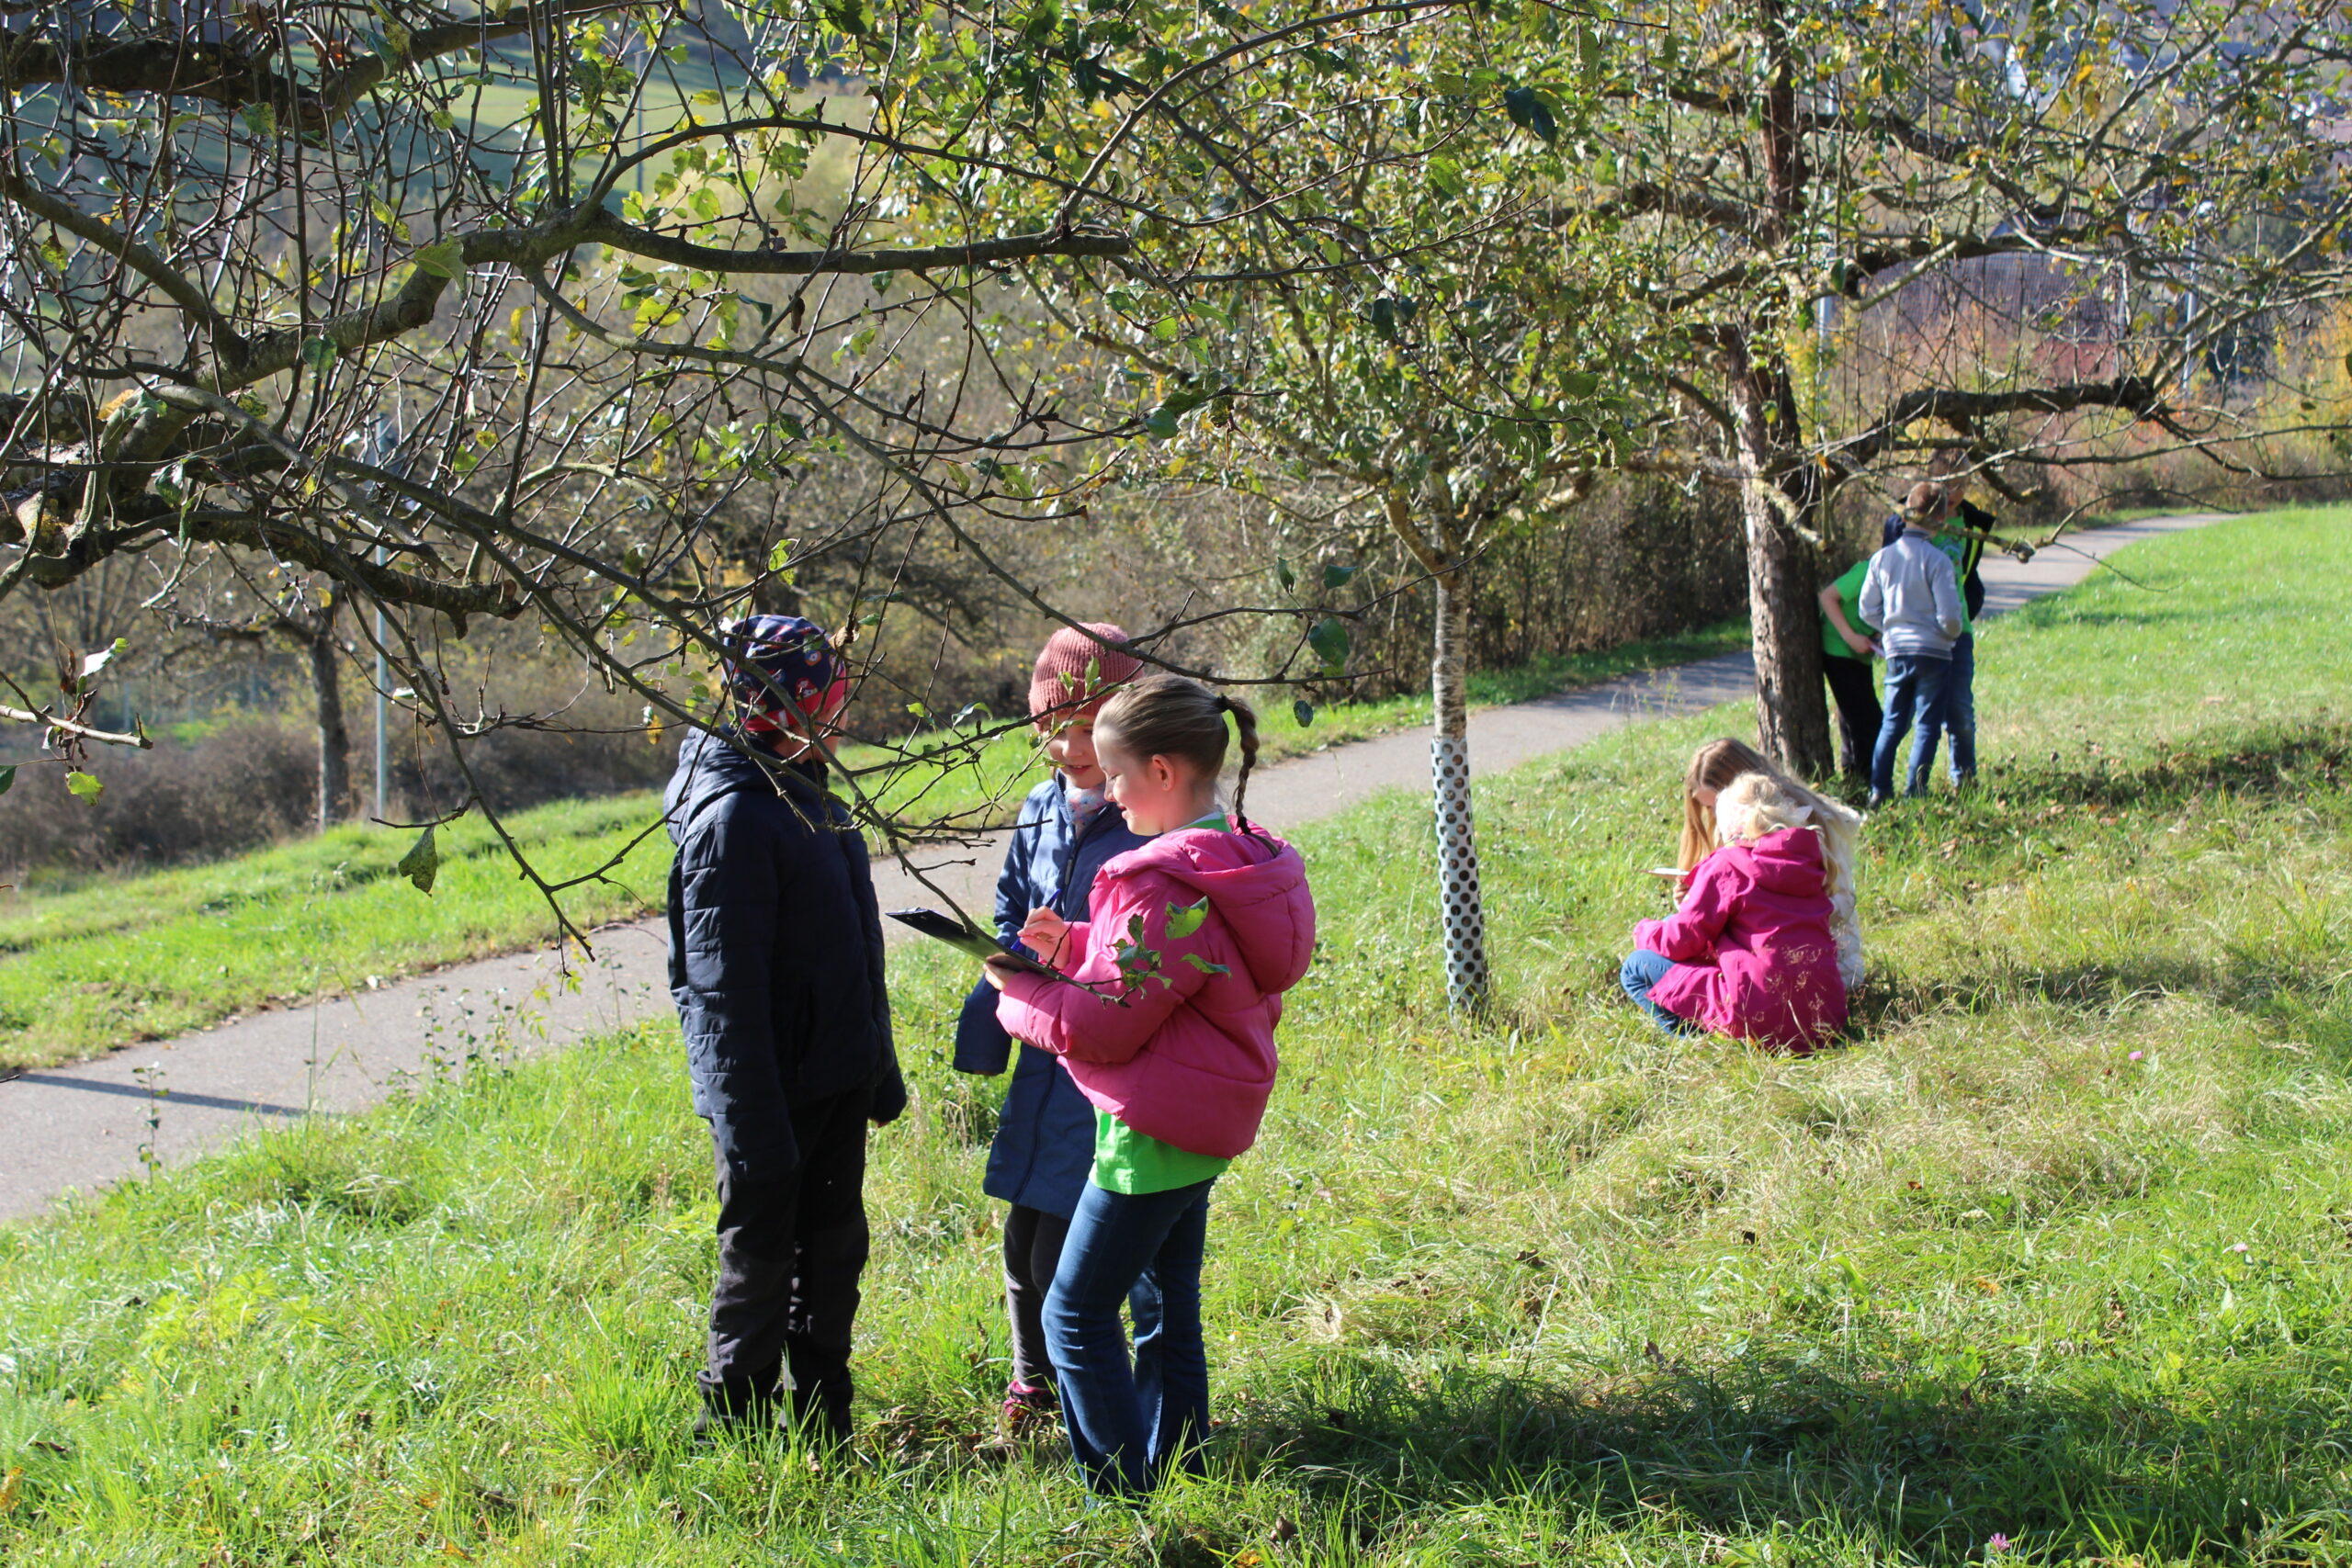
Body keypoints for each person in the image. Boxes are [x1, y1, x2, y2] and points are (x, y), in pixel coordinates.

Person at [982, 675, 1315, 1496]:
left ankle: (1123, 1496)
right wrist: (1077, 947)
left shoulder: (1155, 880)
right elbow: (1176, 967)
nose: (1111, 793)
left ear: (1163, 772)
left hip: (1152, 1131)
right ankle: (1180, 1465)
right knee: (1168, 1301)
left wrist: (1015, 994)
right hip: (1204, 1116)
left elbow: (1103, 1024)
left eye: (1117, 773)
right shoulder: (1232, 858)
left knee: (1074, 1313)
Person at [663, 615, 907, 1445]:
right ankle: (733, 1426)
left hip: (836, 1075)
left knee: (835, 1252)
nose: (840, 718)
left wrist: (877, 1062)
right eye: (829, 703)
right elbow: (719, 994)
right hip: (770, 1101)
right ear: (785, 710)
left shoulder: (807, 790)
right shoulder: (735, 820)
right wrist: (751, 1127)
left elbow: (857, 947)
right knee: (761, 1262)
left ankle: (823, 1415)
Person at [953, 623, 1151, 1442]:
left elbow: (1147, 946)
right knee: (1021, 1231)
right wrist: (1010, 945)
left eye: (1085, 728)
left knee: (1069, 1245)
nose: (1067, 747)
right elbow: (1008, 898)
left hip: (1101, 1057)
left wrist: (1073, 947)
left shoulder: (1143, 815)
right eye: (1053, 729)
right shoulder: (1040, 808)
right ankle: (1031, 1381)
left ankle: (1092, 1400)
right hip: (1040, 1049)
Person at [1621, 770, 1848, 1052]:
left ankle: (1699, 1046)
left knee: (1636, 966)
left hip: (1761, 1020)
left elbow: (1682, 940)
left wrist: (1643, 931)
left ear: (1728, 823)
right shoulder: (1810, 861)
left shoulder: (1729, 864)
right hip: (1824, 1019)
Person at [1673, 738, 1864, 993]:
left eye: (1715, 804)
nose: (1715, 816)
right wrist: (1693, 900)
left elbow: (1838, 904)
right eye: (1707, 808)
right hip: (1807, 968)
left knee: (1668, 952)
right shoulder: (1759, 824)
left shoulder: (1800, 825)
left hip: (1820, 972)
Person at [1881, 454, 1996, 786]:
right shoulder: (1904, 520)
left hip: (1956, 631)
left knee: (1959, 710)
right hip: (1912, 632)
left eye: (1962, 483)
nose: (1954, 491)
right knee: (1901, 718)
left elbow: (1968, 574)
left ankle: (1965, 778)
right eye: (1946, 483)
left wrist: (1962, 617)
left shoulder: (1973, 525)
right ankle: (1885, 784)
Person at [1861, 483, 1965, 807]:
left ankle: (1879, 788)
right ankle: (1915, 789)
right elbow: (1950, 615)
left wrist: (1890, 629)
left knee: (1891, 722)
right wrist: (1949, 634)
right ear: (1939, 518)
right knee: (1927, 723)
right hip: (1934, 651)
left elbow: (1867, 608)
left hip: (1897, 651)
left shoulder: (1882, 559)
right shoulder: (1938, 561)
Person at [1816, 554, 1882, 782]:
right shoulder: (1867, 571)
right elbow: (1827, 597)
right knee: (1869, 721)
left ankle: (1853, 777)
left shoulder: (1904, 578)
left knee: (1854, 717)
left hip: (1861, 653)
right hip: (1838, 649)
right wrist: (1850, 636)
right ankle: (1865, 781)